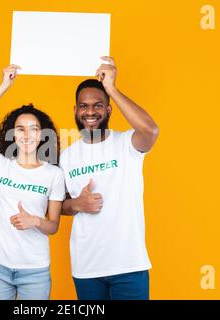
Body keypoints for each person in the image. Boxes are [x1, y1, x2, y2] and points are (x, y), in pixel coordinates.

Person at [59, 56, 160, 300]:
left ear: (108, 109)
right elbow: (57, 205)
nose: (90, 112)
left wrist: (111, 88)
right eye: (84, 106)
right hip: (86, 268)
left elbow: (151, 130)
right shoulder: (66, 156)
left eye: (98, 105)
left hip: (128, 266)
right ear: (75, 110)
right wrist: (77, 204)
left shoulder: (127, 144)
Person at [0, 65, 65, 300]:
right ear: (13, 134)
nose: (27, 134)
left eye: (33, 129)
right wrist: (4, 86)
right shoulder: (0, 165)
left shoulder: (54, 175)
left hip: (35, 271)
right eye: (20, 129)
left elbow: (53, 226)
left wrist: (35, 221)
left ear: (42, 135)